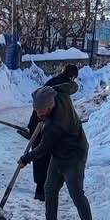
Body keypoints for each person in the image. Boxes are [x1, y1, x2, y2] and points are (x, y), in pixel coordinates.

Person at [18, 85, 94, 220]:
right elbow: (71, 86)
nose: (38, 115)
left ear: (50, 106)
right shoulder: (60, 94)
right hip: (58, 154)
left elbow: (43, 149)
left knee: (76, 193)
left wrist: (25, 159)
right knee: (50, 188)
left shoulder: (55, 125)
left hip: (74, 155)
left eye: (41, 111)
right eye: (36, 110)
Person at [22, 64, 80, 201]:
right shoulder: (62, 88)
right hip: (42, 123)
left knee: (39, 156)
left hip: (36, 121)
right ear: (71, 77)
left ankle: (40, 190)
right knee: (45, 155)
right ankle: (43, 191)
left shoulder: (53, 82)